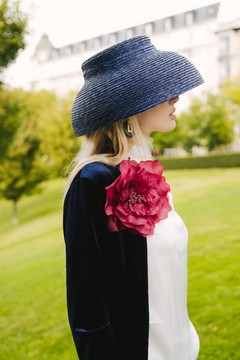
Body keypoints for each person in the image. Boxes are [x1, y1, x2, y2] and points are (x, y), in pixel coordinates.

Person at [63, 35, 204, 360]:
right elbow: (89, 311)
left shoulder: (145, 169)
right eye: (161, 90)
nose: (176, 98)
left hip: (182, 350)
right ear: (130, 107)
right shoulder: (93, 182)